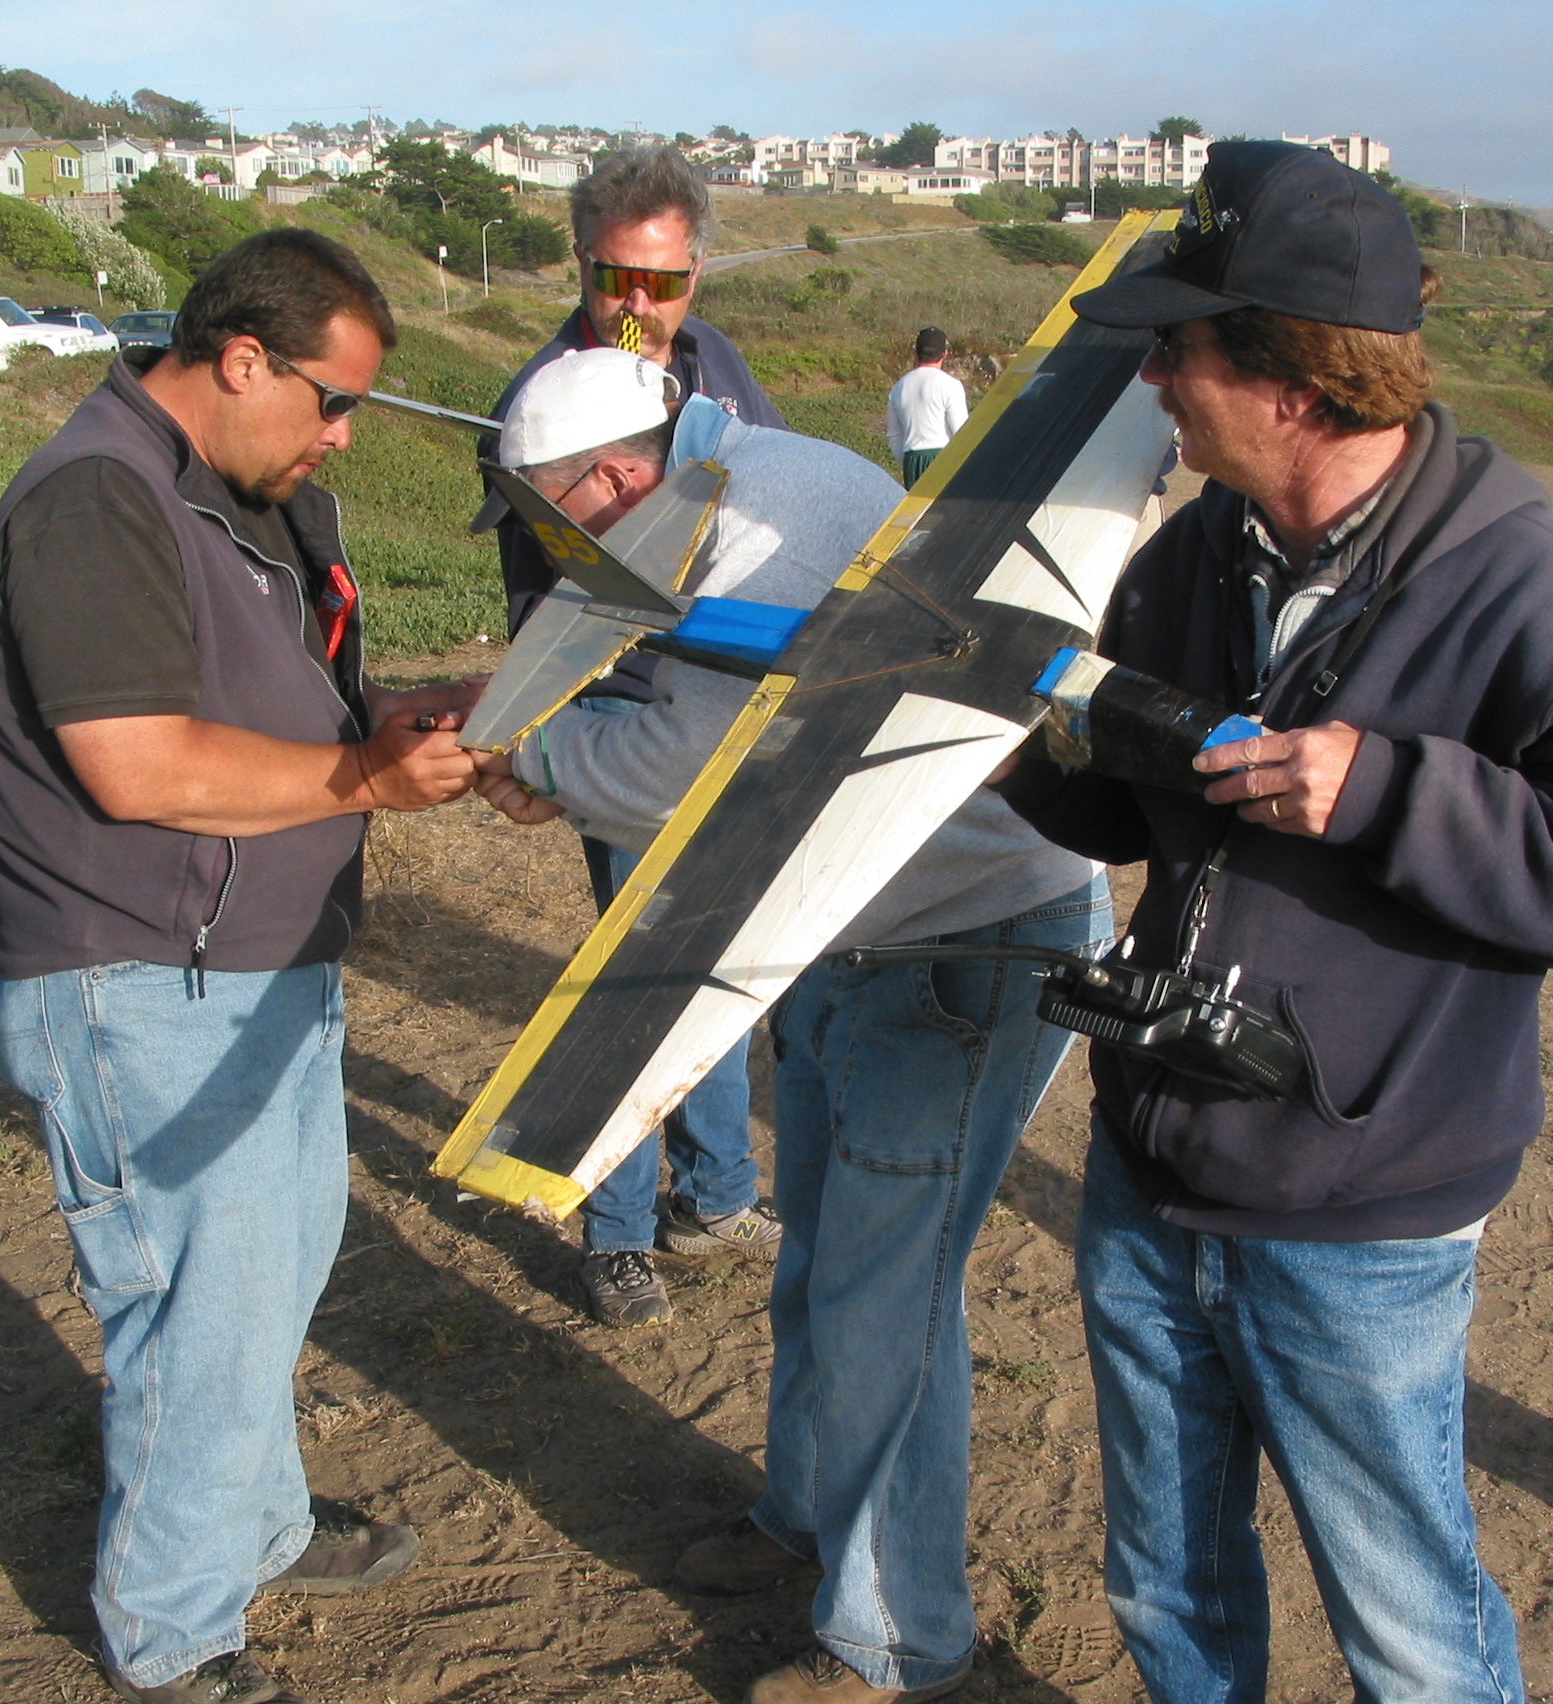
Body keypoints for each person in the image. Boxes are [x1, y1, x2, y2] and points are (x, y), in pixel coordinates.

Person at [995, 141, 1553, 1703]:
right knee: (1164, 1585)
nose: (1155, 386)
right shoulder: (1201, 551)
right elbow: (1131, 816)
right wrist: (1003, 732)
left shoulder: (1528, 587)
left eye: (1179, 350)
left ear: (1295, 386)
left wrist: (1390, 792)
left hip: (1365, 1211)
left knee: (1405, 1618)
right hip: (1152, 1162)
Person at [472, 348, 1109, 1704]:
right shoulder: (727, 481)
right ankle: (811, 1524)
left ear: (614, 476)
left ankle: (894, 1646)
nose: (556, 543)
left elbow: (695, 767)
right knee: (826, 1261)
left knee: (888, 1296)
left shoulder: (761, 529)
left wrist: (522, 760)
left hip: (966, 935)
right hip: (851, 925)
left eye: (554, 514)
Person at [0, 230, 481, 1704]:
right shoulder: (95, 500)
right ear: (240, 358)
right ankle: (173, 1634)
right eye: (330, 400)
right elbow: (136, 764)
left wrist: (416, 716)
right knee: (200, 1307)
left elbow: (306, 706)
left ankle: (251, 1529)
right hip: (141, 984)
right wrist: (365, 786)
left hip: (263, 969)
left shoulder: (253, 495)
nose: (341, 434)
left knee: (264, 1277)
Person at [480, 146, 789, 1326]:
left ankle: (713, 1197)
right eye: (618, 278)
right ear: (583, 263)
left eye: (664, 283)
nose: (638, 307)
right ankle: (612, 1226)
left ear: (696, 271)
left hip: (721, 696)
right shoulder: (542, 398)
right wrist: (546, 743)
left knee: (708, 955)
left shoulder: (720, 369)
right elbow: (546, 607)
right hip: (616, 701)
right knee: (637, 966)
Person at [885, 327, 969, 489]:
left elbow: (895, 436)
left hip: (912, 459)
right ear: (944, 353)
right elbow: (961, 433)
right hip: (942, 458)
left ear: (916, 352)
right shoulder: (950, 384)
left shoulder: (899, 387)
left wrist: (909, 464)